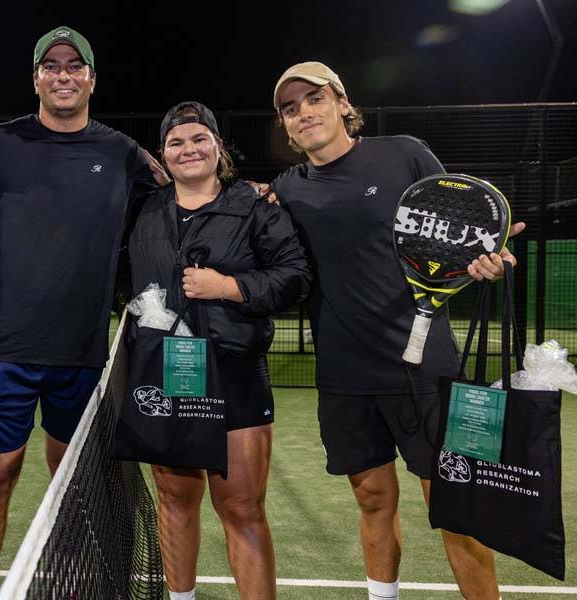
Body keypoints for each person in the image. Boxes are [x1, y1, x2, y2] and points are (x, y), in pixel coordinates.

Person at [269, 61, 522, 600]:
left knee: (454, 509)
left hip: (423, 367)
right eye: (290, 109)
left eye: (314, 99)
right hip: (342, 373)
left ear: (342, 103)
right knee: (372, 500)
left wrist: (486, 261)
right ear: (286, 128)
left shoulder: (403, 153)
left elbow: (460, 230)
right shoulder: (285, 189)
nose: (303, 113)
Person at [0, 26, 163, 600]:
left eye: (74, 66)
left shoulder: (121, 154)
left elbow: (181, 208)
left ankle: (87, 589)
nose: (63, 74)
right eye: (51, 66)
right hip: (5, 349)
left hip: (83, 352)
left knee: (78, 485)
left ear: (91, 78)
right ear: (36, 78)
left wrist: (252, 197)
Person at [127, 101, 310, 600]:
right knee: (174, 499)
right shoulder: (145, 209)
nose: (189, 149)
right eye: (177, 142)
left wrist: (228, 287)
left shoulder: (255, 208)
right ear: (164, 155)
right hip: (165, 377)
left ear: (218, 147)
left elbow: (295, 278)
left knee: (243, 508)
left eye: (198, 138)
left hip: (235, 375)